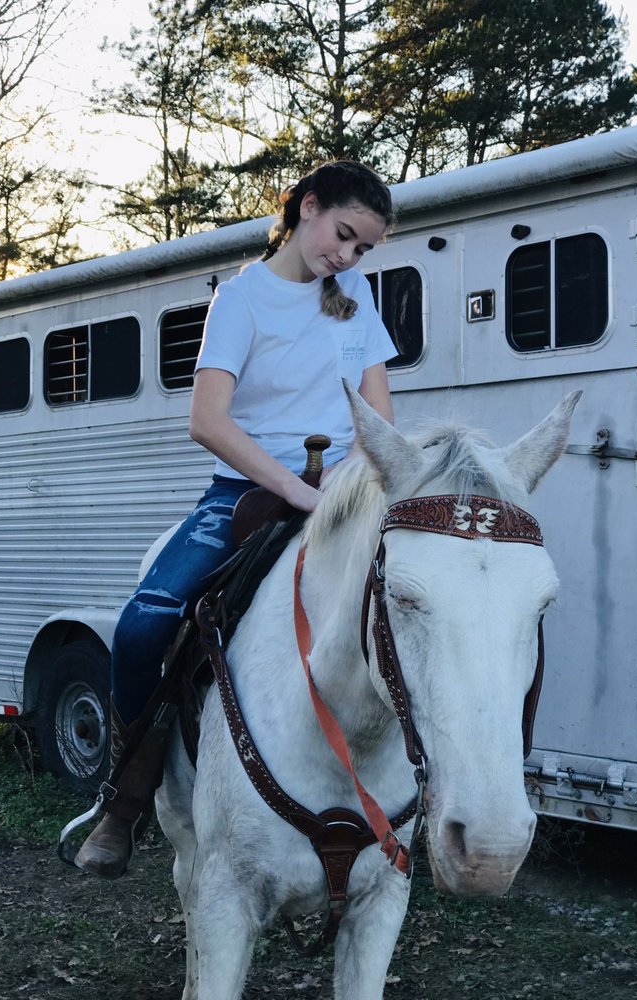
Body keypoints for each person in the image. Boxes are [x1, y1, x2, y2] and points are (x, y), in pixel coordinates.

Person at [73, 160, 397, 878]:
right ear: (308, 207)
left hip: (346, 491)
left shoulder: (356, 294)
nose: (345, 256)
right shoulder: (241, 299)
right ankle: (125, 801)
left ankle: (423, 797)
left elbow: (378, 413)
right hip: (247, 494)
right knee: (145, 622)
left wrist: (371, 485)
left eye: (361, 249)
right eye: (343, 235)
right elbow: (208, 422)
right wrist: (297, 490)